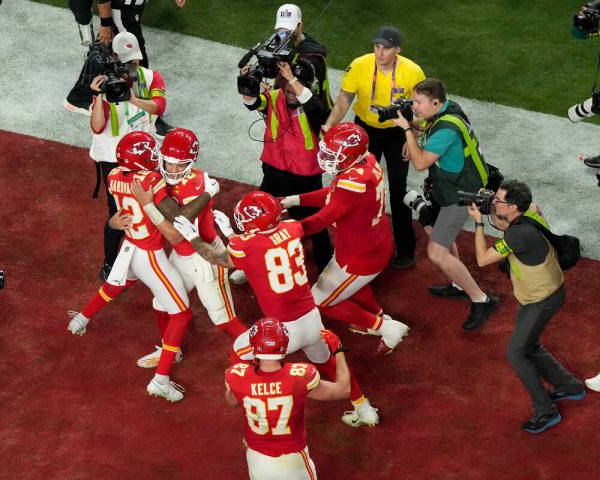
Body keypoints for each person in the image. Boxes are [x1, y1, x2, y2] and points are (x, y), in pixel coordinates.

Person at [173, 191, 380, 427]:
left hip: (283, 329)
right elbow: (259, 248)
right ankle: (364, 408)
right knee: (329, 363)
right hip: (311, 320)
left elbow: (218, 257)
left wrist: (192, 236)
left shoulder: (244, 244)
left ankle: (252, 397)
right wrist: (232, 234)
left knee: (238, 353)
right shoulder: (292, 228)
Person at [67, 131, 218, 402]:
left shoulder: (113, 176)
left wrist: (115, 222)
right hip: (150, 253)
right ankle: (161, 379)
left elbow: (116, 217)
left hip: (130, 243)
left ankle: (81, 319)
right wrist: (207, 192)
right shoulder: (152, 181)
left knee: (118, 284)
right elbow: (175, 226)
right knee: (181, 314)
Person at [468, 180, 585, 433]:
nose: (494, 202)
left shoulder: (519, 234)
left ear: (512, 207)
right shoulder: (530, 209)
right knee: (530, 345)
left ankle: (546, 412)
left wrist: (478, 221)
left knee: (516, 353)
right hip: (547, 292)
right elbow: (507, 220)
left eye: (499, 200)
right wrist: (492, 208)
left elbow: (482, 258)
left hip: (540, 300)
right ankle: (569, 386)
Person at [281, 122, 409, 354]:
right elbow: (333, 194)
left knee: (320, 300)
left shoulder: (353, 181)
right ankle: (380, 318)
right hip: (366, 244)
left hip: (360, 255)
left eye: (333, 154)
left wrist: (288, 232)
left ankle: (386, 328)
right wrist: (295, 199)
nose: (327, 157)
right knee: (350, 287)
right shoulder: (365, 160)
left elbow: (323, 218)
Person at [128, 128, 246, 368]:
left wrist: (203, 194)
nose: (171, 169)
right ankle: (171, 349)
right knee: (161, 303)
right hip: (182, 255)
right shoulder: (159, 177)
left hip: (205, 255)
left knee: (223, 319)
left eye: (178, 164)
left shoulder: (197, 182)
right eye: (167, 163)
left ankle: (257, 356)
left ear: (191, 162)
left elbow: (177, 227)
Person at [391, 78, 499, 330]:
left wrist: (407, 130)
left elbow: (419, 164)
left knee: (436, 252)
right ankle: (458, 284)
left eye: (418, 102)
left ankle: (482, 300)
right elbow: (426, 127)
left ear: (435, 102)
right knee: (436, 229)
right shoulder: (450, 109)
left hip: (459, 195)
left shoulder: (446, 129)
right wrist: (415, 132)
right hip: (449, 186)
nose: (414, 106)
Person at [322, 26, 425, 269]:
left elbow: (421, 109)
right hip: (365, 131)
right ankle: (358, 243)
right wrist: (329, 125)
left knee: (398, 190)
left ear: (397, 50)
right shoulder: (360, 64)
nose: (379, 53)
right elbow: (345, 99)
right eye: (376, 46)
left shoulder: (412, 71)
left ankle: (406, 251)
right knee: (357, 186)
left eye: (385, 48)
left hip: (398, 131)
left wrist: (414, 138)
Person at [235, 58, 333, 283]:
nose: (290, 91)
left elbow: (316, 110)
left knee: (316, 225)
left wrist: (291, 78)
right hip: (274, 172)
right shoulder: (273, 98)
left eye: (295, 85)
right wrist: (245, 80)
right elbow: (251, 102)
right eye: (287, 86)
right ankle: (247, 263)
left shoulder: (314, 104)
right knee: (256, 216)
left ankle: (327, 269)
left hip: (306, 178)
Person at [225, 318, 349, 480]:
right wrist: (339, 351)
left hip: (255, 456)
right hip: (292, 460)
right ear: (285, 344)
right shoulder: (299, 377)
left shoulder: (236, 375)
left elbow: (232, 401)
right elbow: (344, 389)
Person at [88, 31, 167, 280]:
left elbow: (159, 107)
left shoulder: (152, 77)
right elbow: (97, 126)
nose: (132, 67)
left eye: (135, 60)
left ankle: (152, 255)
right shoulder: (105, 84)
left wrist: (132, 98)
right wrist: (101, 96)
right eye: (127, 62)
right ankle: (110, 262)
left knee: (154, 205)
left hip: (145, 155)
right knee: (118, 212)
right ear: (116, 60)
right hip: (113, 158)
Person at [64, 0, 184, 138]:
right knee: (134, 56)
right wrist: (106, 23)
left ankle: (80, 96)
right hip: (121, 9)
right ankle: (148, 115)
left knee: (109, 50)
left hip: (129, 9)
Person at [270, 4, 333, 113]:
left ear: (300, 26)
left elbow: (315, 97)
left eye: (289, 30)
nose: (284, 34)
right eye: (281, 29)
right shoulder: (277, 47)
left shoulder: (313, 57)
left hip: (306, 114)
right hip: (284, 110)